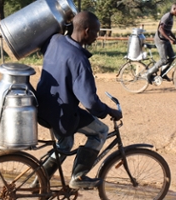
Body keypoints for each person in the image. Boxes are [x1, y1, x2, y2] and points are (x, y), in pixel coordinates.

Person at [35, 11, 122, 189]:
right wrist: (108, 111)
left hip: (42, 106)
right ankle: (79, 177)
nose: (97, 37)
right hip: (61, 113)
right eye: (96, 32)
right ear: (86, 31)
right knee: (100, 131)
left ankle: (39, 182)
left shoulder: (55, 40)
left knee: (65, 144)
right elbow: (90, 101)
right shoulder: (80, 59)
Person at [143, 3, 176, 83]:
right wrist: (170, 40)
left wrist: (175, 39)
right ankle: (148, 73)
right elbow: (161, 29)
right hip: (160, 41)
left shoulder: (171, 17)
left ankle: (163, 74)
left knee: (172, 57)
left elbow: (168, 31)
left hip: (165, 40)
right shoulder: (167, 17)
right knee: (163, 60)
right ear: (174, 9)